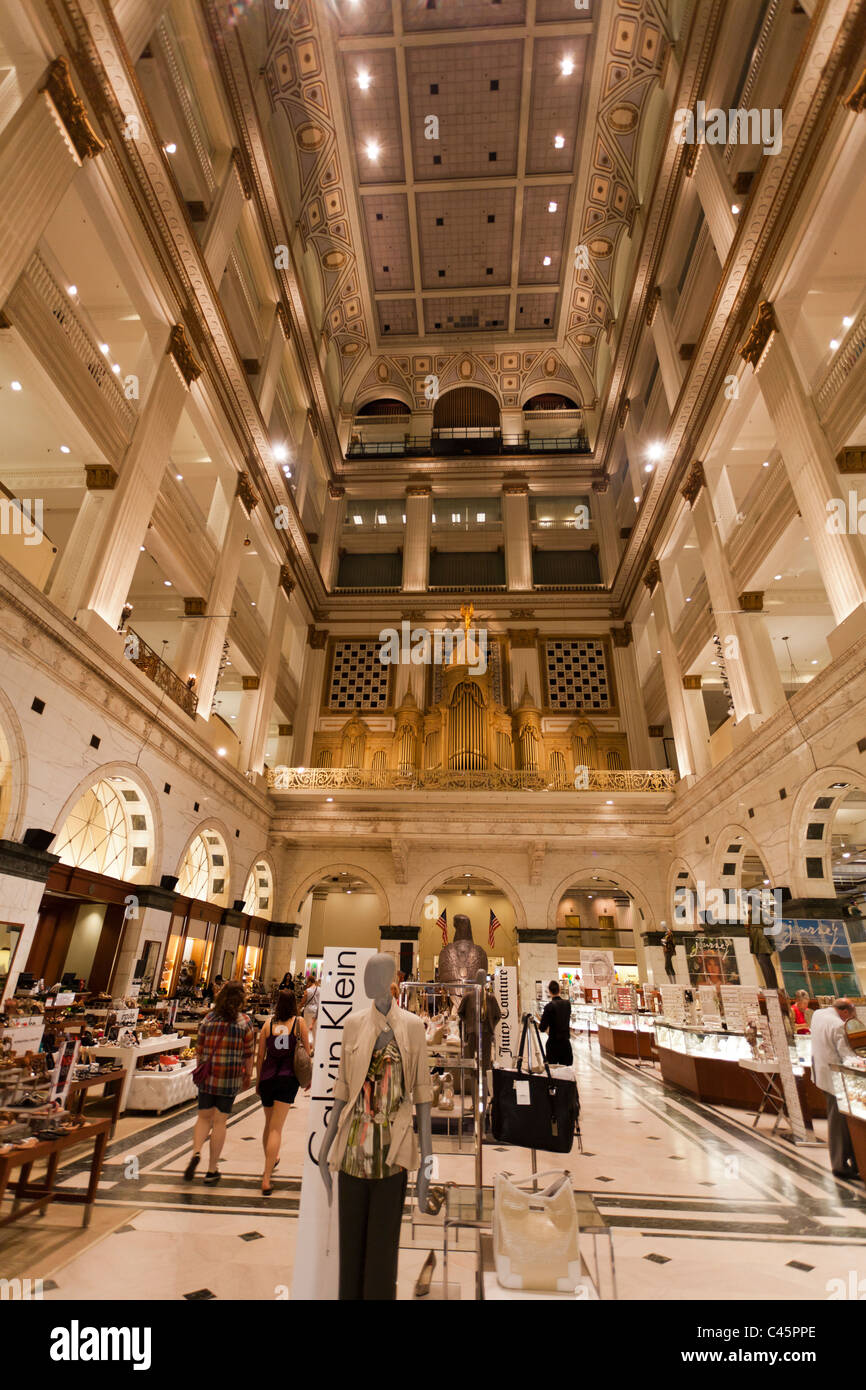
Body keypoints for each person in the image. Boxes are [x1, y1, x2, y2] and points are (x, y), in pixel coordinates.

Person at [184, 981, 254, 1186]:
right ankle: (212, 1169)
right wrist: (248, 1075)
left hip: (208, 1075)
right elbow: (249, 1053)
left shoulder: (208, 1019)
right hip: (229, 1076)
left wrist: (201, 1069)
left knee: (203, 1117)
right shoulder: (244, 1022)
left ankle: (196, 1152)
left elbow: (199, 1049)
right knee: (220, 1121)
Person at [255, 990, 311, 1196]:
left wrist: (258, 1080)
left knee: (268, 1126)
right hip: (287, 1079)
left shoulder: (267, 1025)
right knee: (276, 1129)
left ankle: (270, 1160)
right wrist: (309, 1076)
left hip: (268, 1078)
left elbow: (260, 1055)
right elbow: (306, 1050)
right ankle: (267, 1177)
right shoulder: (299, 1023)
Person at [810, 997, 859, 1179]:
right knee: (838, 1123)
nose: (847, 1022)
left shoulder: (818, 1014)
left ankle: (854, 1161)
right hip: (835, 1079)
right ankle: (839, 1165)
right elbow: (847, 1056)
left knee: (841, 1121)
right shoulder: (838, 1025)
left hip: (821, 1074)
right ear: (845, 1012)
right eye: (849, 1018)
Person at [538, 979, 573, 1066]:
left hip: (553, 1044)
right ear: (559, 990)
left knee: (552, 1072)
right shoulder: (567, 1004)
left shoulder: (549, 1007)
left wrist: (539, 1021)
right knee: (566, 1072)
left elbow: (542, 1028)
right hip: (566, 1044)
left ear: (549, 991)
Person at [303, 973, 321, 1051]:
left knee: (306, 1028)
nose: (307, 983)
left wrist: (298, 1008)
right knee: (315, 1030)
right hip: (316, 1010)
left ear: (310, 981)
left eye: (307, 982)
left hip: (308, 1011)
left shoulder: (307, 990)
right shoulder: (320, 989)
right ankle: (314, 1047)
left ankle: (307, 1047)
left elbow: (303, 1001)